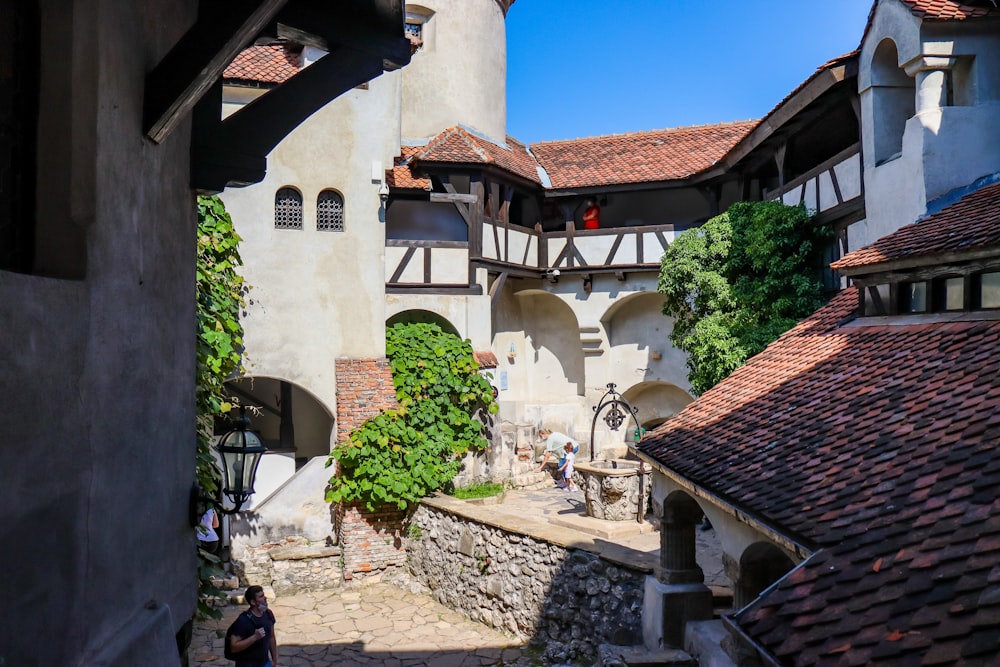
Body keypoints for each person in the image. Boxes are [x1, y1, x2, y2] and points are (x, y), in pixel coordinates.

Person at [227, 585, 278, 667]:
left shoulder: (268, 614)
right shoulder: (243, 621)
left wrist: (274, 660)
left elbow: (271, 637)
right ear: (253, 602)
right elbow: (234, 647)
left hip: (265, 663)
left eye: (263, 595)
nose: (265, 598)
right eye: (261, 597)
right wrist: (254, 637)